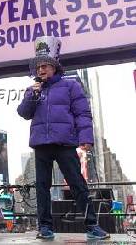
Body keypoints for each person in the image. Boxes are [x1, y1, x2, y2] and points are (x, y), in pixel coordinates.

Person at [17, 36, 109, 240]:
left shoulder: (71, 86)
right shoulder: (32, 90)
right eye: (38, 66)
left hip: (65, 143)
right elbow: (23, 113)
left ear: (55, 67)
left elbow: (83, 114)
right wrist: (32, 95)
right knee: (42, 187)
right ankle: (45, 227)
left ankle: (92, 225)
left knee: (77, 184)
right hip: (41, 144)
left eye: (45, 66)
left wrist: (86, 138)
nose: (41, 70)